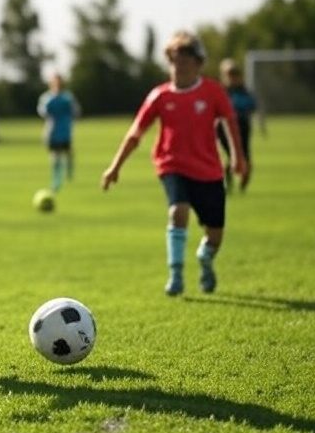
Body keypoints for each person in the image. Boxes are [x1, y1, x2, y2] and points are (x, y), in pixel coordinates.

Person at [100, 31, 248, 296]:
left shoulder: (213, 91)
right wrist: (115, 166)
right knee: (177, 211)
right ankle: (176, 274)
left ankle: (205, 258)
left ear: (198, 62)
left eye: (186, 60)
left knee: (215, 234)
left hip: (209, 170)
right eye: (174, 60)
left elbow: (229, 123)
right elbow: (135, 133)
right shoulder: (159, 96)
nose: (179, 65)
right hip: (172, 165)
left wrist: (237, 156)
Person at [216, 58, 261, 193]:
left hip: (243, 126)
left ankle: (243, 186)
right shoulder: (221, 92)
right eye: (230, 75)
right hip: (223, 128)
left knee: (246, 158)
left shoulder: (244, 92)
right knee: (232, 156)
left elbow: (253, 106)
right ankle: (227, 182)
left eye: (235, 75)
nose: (233, 78)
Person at [37, 74, 80, 192]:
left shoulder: (68, 97)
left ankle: (69, 175)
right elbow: (42, 112)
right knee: (55, 157)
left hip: (65, 132)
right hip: (52, 132)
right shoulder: (47, 98)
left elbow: (76, 111)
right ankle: (56, 180)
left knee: (68, 154)